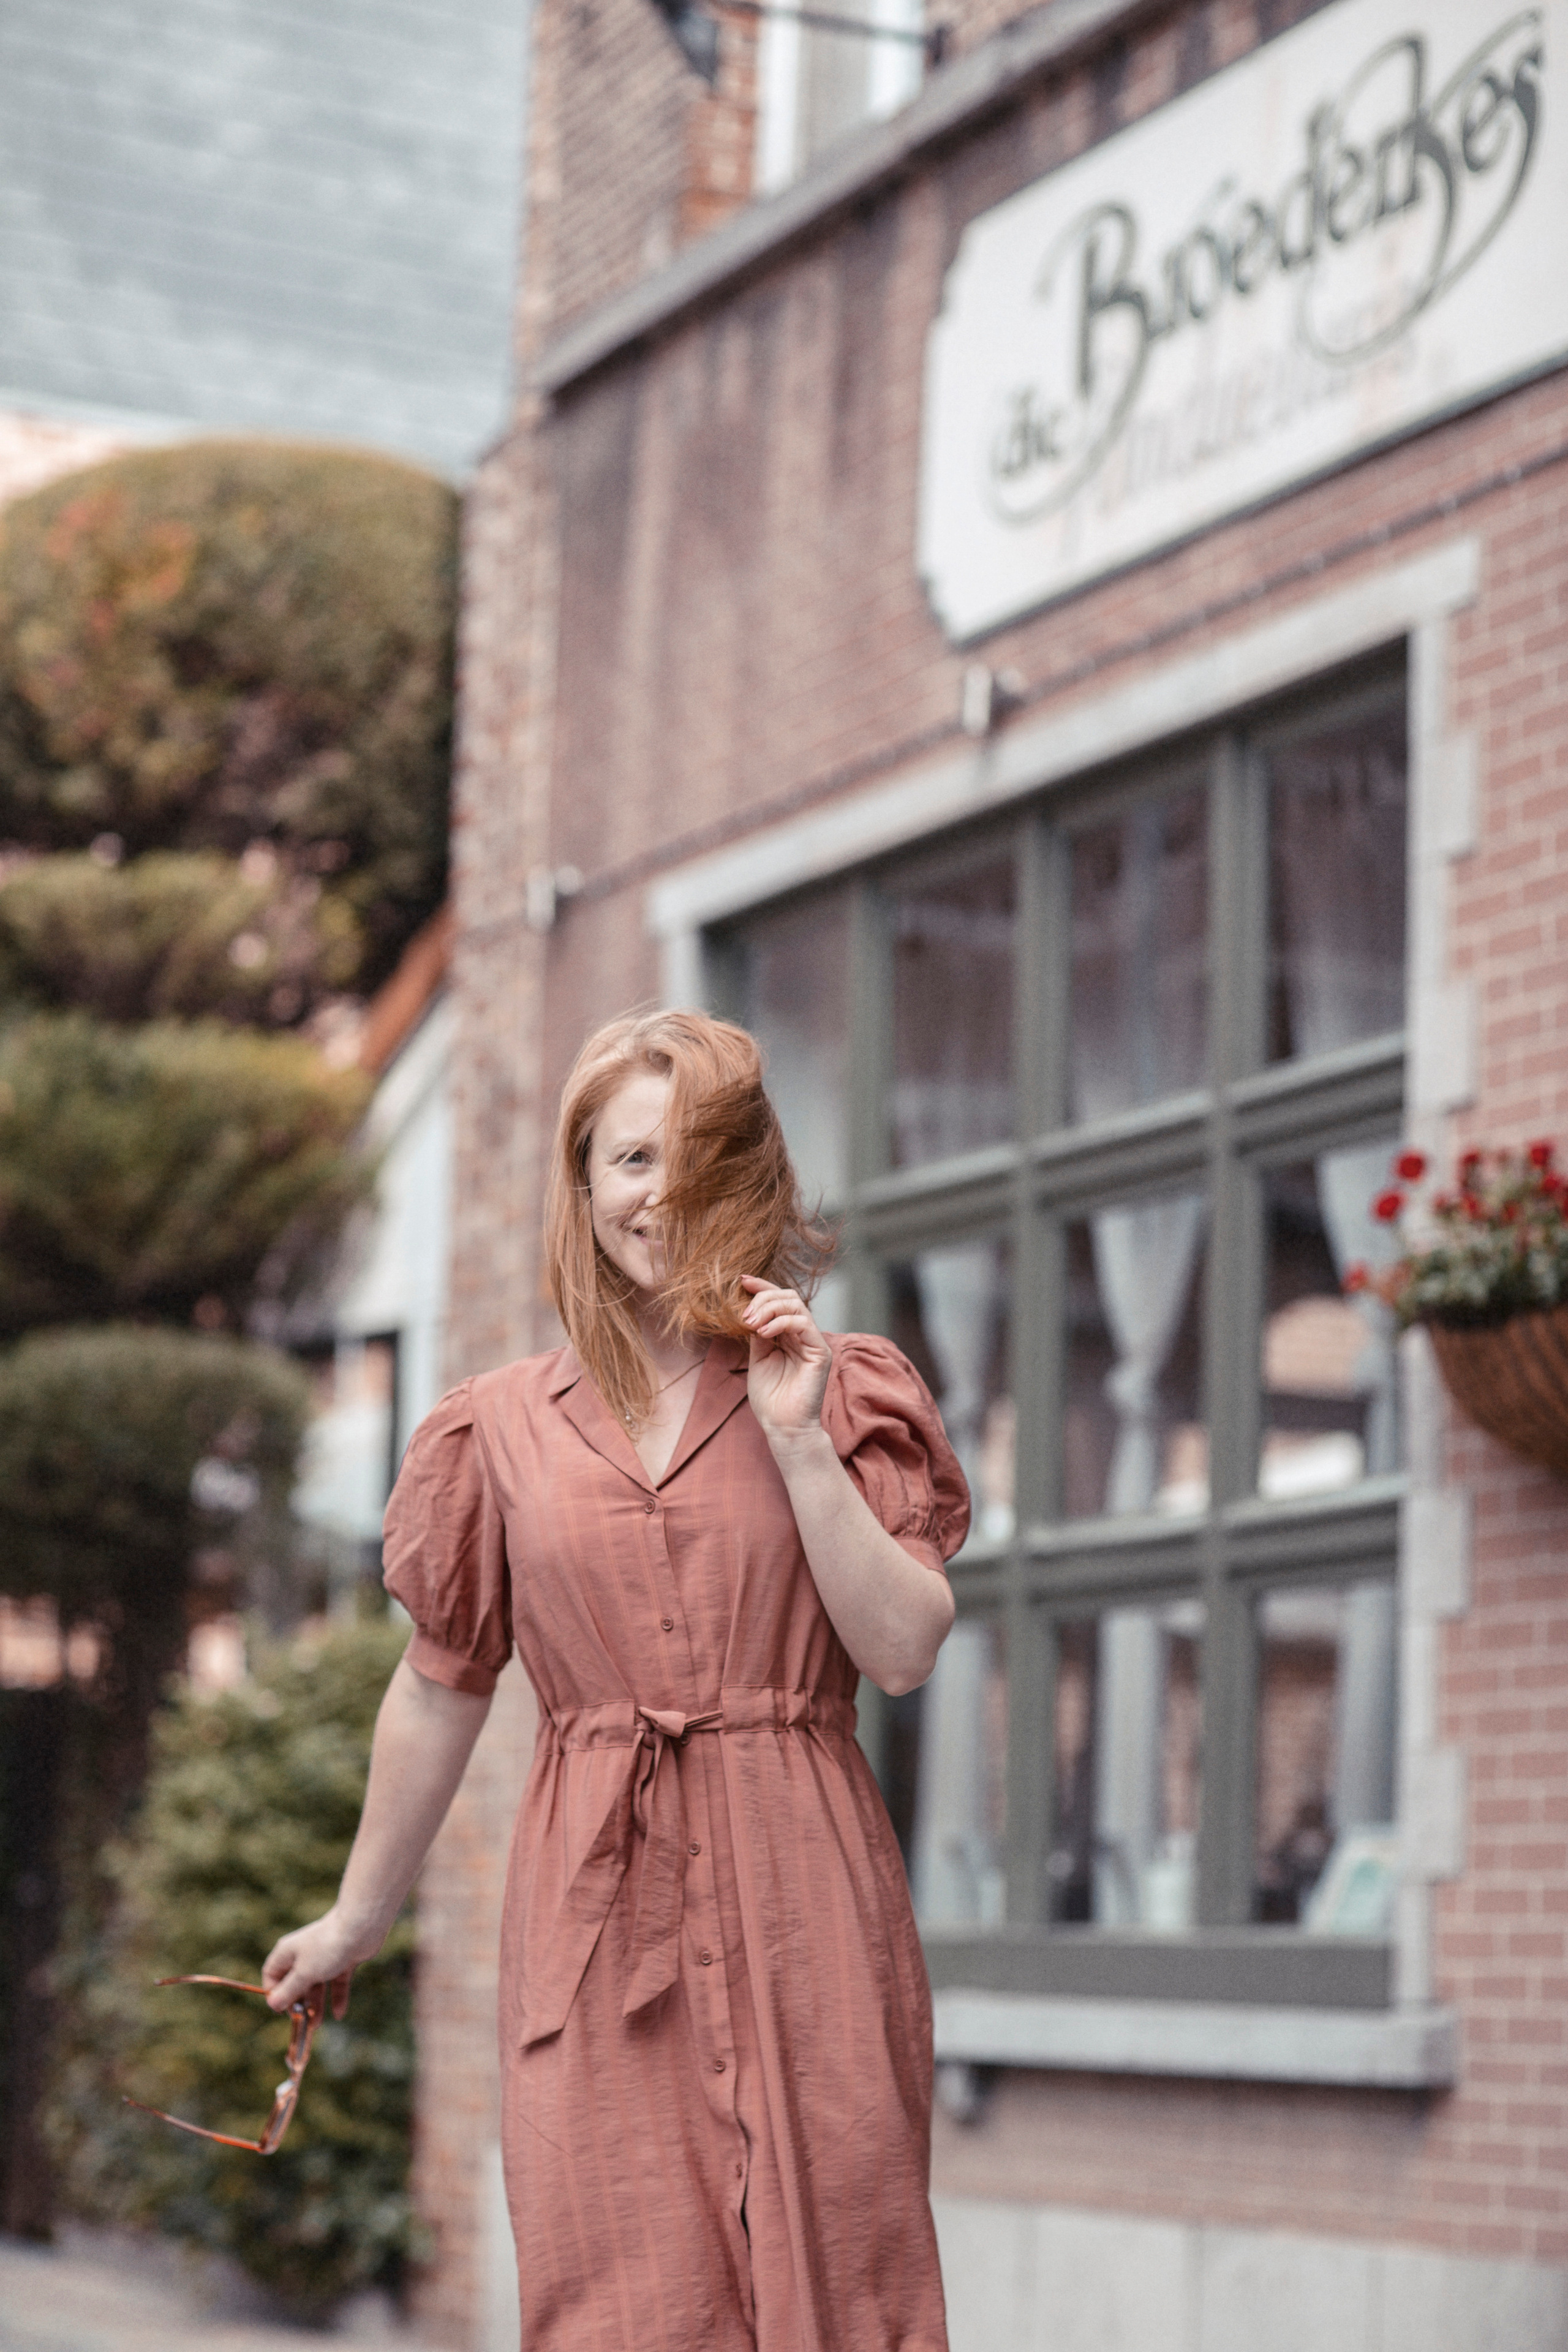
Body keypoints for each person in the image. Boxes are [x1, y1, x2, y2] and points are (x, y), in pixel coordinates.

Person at [263, 1008, 969, 2351]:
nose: (665, 1192)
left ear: (752, 1177)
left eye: (700, 1155)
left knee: (840, 2287)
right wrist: (356, 1919)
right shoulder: (497, 1430)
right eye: (633, 1160)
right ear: (584, 1189)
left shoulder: (841, 1387)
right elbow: (440, 1682)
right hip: (593, 1912)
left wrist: (800, 1444)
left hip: (801, 1885)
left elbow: (901, 1646)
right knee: (617, 2293)